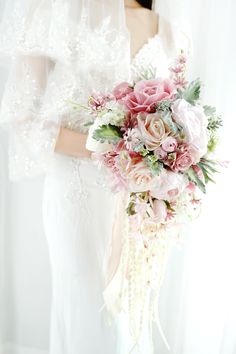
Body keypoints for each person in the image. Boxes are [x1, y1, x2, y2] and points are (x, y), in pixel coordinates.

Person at [0, 0, 190, 353]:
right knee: (86, 301)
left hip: (139, 201)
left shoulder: (168, 29)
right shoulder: (49, 10)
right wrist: (111, 148)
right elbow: (25, 118)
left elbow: (180, 117)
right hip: (76, 190)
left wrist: (162, 158)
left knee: (130, 309)